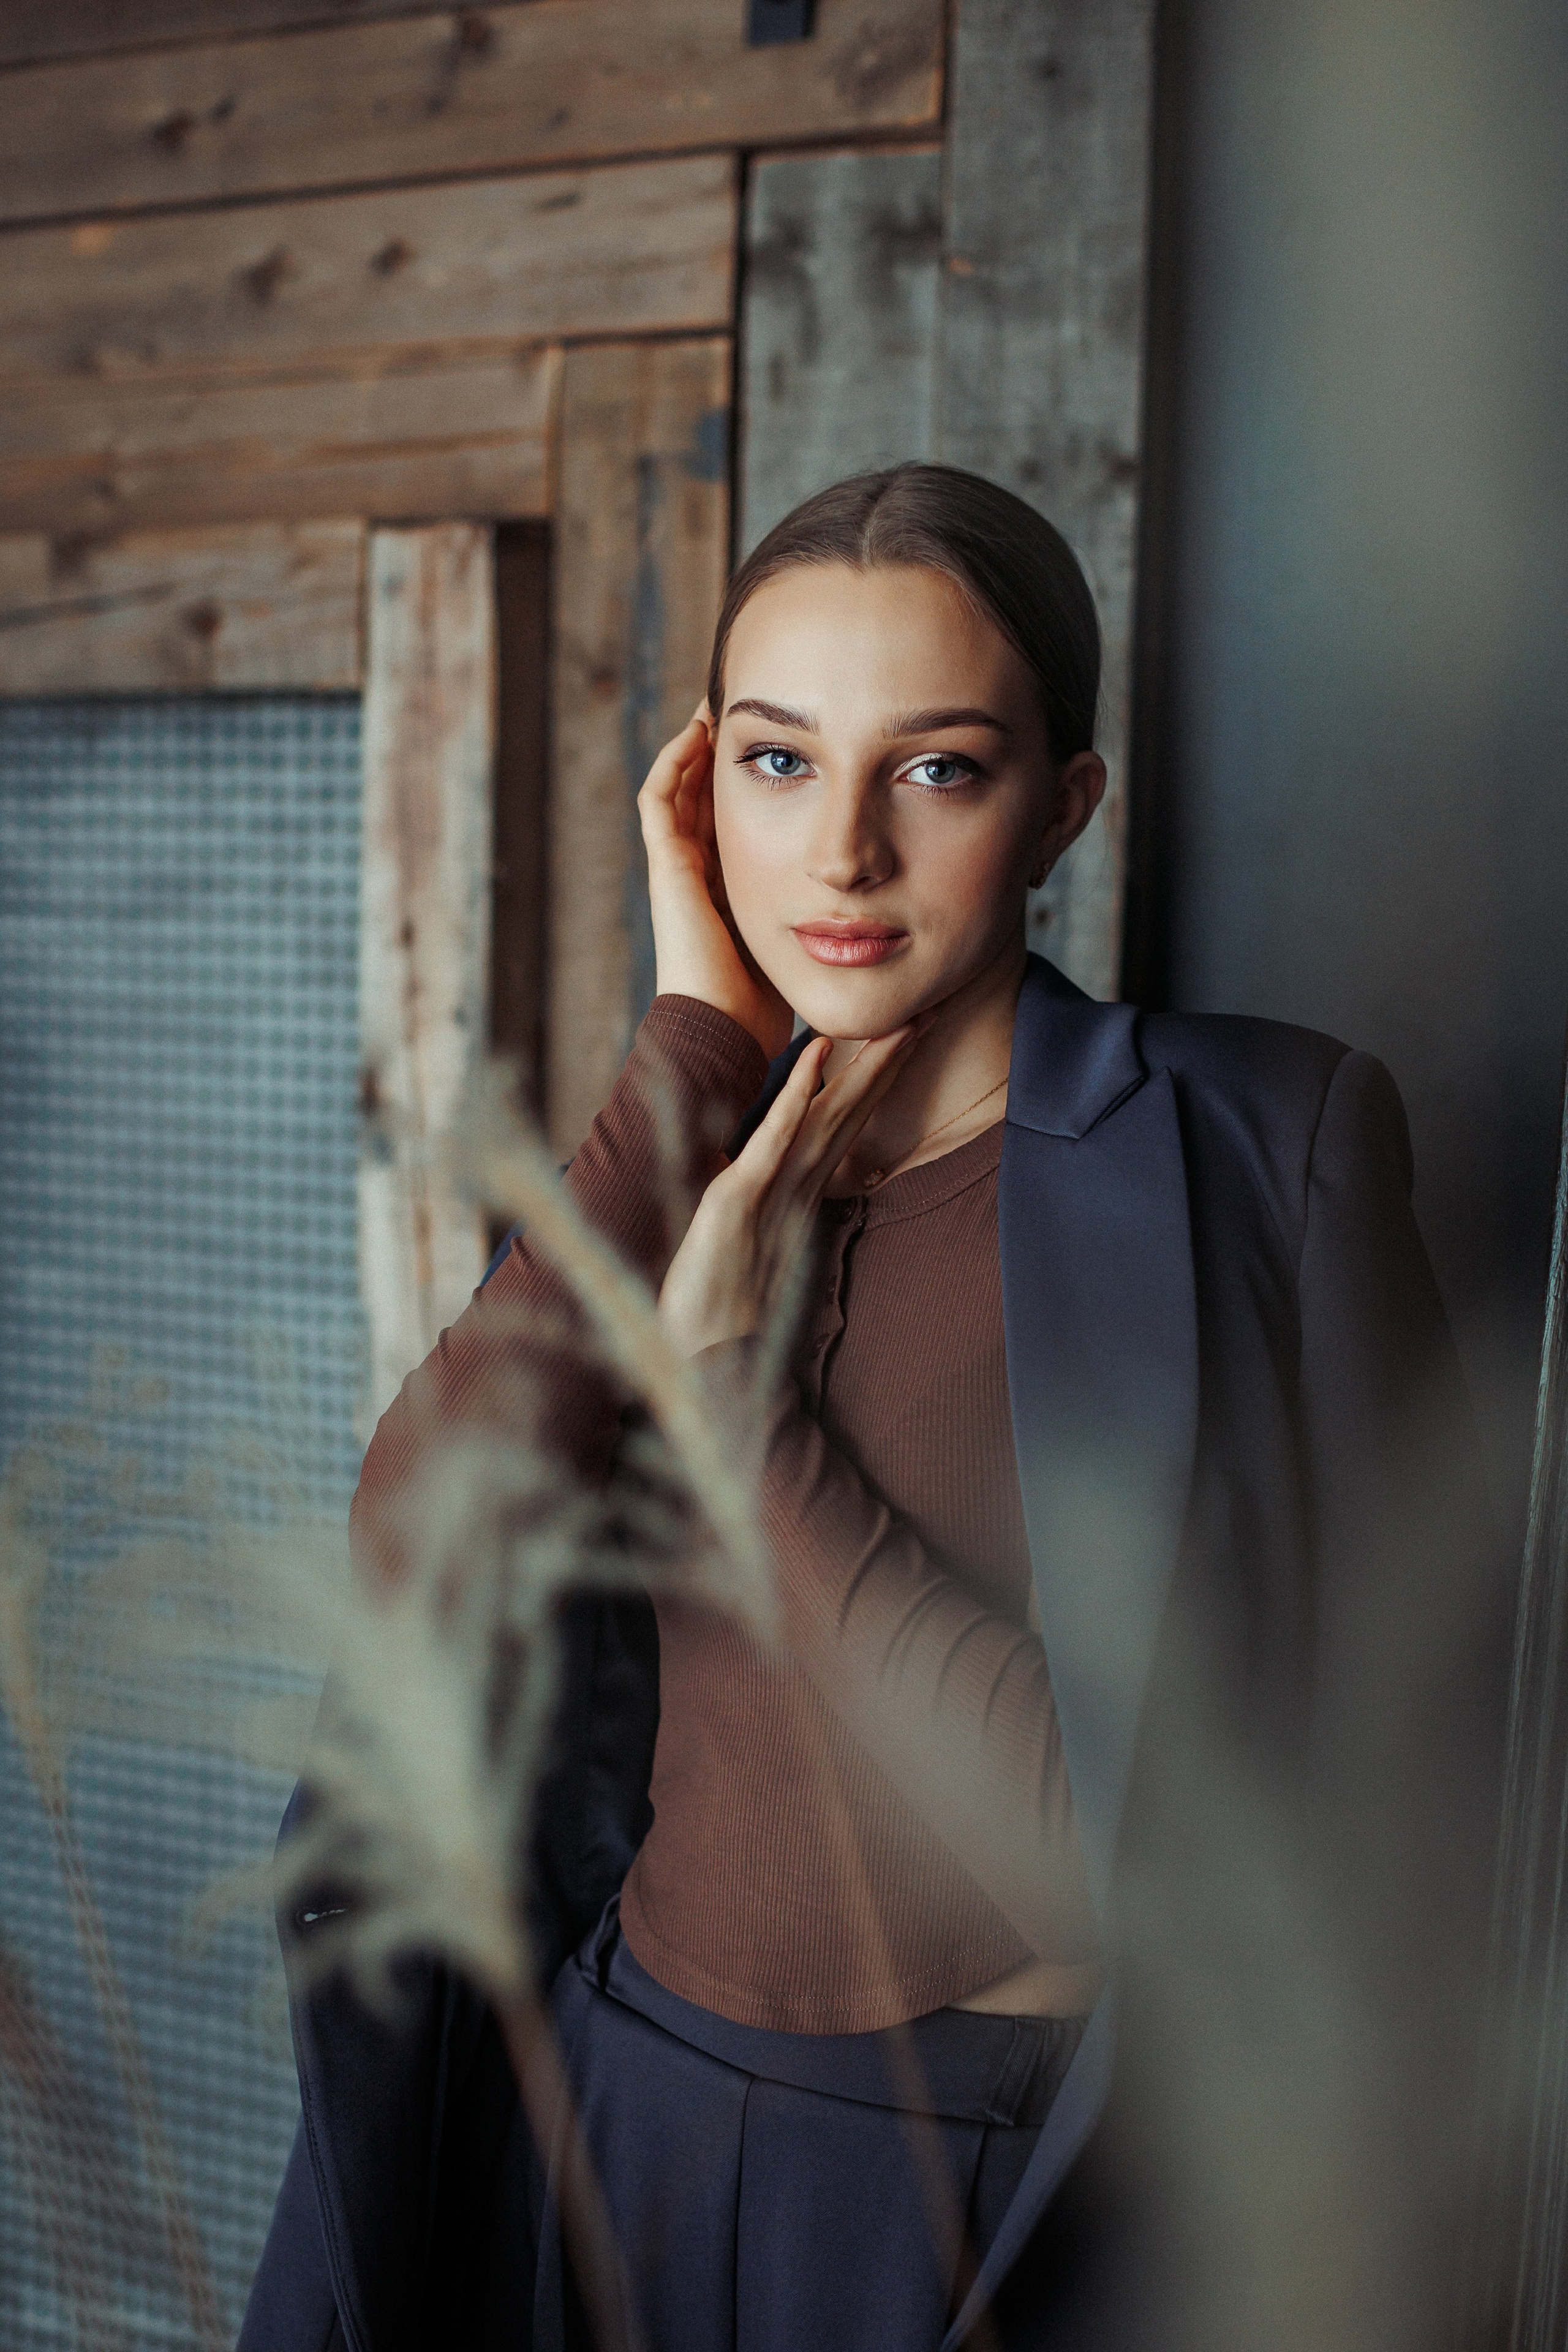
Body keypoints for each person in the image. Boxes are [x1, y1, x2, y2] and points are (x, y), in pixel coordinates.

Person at [242, 465, 1500, 2352]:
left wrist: (744, 1432)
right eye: (774, 761)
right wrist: (692, 1051)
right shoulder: (695, 1153)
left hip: (986, 2195)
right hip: (616, 2115)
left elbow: (1198, 1856)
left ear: (1063, 801)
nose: (837, 855)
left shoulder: (1264, 1145)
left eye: (935, 768)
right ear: (701, 787)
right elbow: (424, 1550)